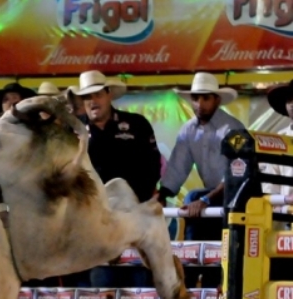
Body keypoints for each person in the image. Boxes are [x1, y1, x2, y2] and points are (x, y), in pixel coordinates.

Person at [70, 70, 162, 287]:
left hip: (134, 214)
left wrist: (135, 201)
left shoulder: (137, 124)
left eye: (97, 95)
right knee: (101, 285)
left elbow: (152, 166)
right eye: (87, 97)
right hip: (95, 221)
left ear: (108, 94)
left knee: (140, 283)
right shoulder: (73, 133)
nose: (92, 101)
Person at [157, 72, 244, 241]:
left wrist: (205, 199)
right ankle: (194, 263)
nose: (199, 104)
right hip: (213, 197)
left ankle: (196, 261)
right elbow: (177, 167)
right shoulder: (188, 130)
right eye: (195, 98)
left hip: (237, 196)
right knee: (193, 200)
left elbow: (238, 175)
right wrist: (160, 196)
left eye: (206, 98)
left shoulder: (234, 129)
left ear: (217, 100)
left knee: (193, 198)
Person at [262, 80, 293, 205]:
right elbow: (270, 183)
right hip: (286, 214)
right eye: (289, 100)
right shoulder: (278, 139)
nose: (292, 104)